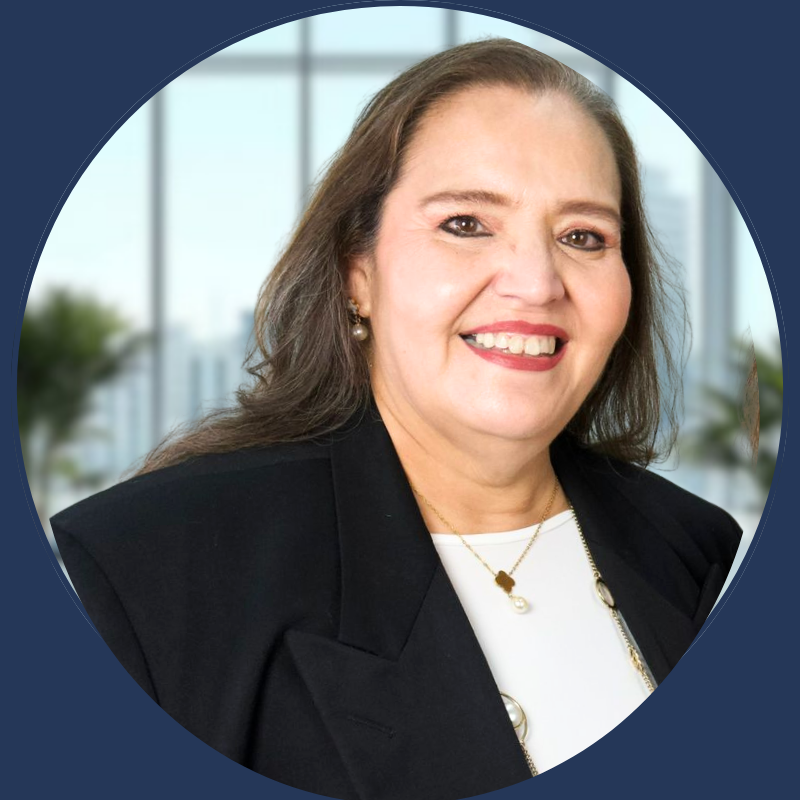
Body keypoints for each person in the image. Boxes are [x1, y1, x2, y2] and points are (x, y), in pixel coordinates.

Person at [51, 39, 742, 798]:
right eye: (466, 223)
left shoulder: (689, 550)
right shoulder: (156, 568)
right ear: (359, 273)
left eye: (583, 237)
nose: (537, 283)